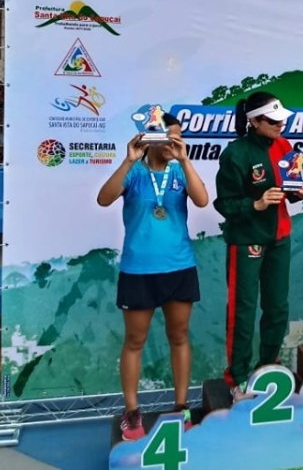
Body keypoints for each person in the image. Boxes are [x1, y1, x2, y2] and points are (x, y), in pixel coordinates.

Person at [96, 113, 209, 440]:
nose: (173, 142)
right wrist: (128, 160)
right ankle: (132, 412)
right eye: (168, 137)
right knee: (135, 341)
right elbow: (103, 199)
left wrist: (185, 160)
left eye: (178, 136)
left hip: (179, 266)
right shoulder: (134, 172)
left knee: (179, 336)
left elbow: (202, 200)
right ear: (150, 139)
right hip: (139, 270)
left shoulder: (180, 170)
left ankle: (181, 406)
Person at [214, 92, 303, 403]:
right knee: (242, 311)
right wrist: (255, 204)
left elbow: (287, 186)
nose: (280, 125)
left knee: (277, 307)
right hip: (246, 240)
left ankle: (268, 368)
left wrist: (296, 193)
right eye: (273, 120)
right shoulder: (235, 154)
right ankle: (238, 379)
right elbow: (224, 204)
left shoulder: (284, 146)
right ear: (254, 121)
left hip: (279, 237)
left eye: (282, 119)